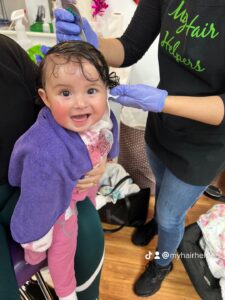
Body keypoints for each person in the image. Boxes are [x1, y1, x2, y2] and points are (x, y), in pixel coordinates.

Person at [54, 0, 225, 297]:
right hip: (161, 127)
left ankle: (162, 262)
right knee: (159, 186)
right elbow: (129, 46)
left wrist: (163, 101)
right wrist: (90, 42)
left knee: (173, 214)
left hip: (205, 145)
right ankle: (156, 222)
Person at [0, 35, 109, 300]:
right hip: (31, 185)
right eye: (66, 93)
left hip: (33, 186)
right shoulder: (38, 145)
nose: (80, 103)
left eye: (91, 91)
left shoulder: (6, 52)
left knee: (87, 228)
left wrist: (101, 156)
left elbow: (103, 128)